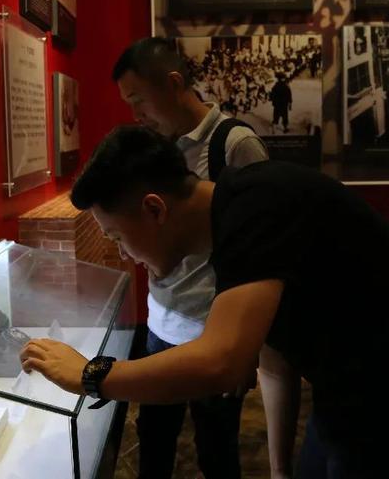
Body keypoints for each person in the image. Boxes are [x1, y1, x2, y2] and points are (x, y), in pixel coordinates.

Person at [20, 125, 389, 479]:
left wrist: (91, 376)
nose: (124, 254)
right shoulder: (233, 220)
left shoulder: (256, 208)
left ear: (154, 208)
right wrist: (279, 470)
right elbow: (273, 359)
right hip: (347, 401)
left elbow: (222, 363)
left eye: (117, 237)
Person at [112, 38, 268, 478]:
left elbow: (259, 249)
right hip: (160, 322)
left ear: (174, 83)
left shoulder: (234, 145)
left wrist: (247, 346)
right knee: (154, 440)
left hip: (212, 332)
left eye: (138, 99)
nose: (136, 114)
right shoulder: (152, 147)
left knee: (216, 448)